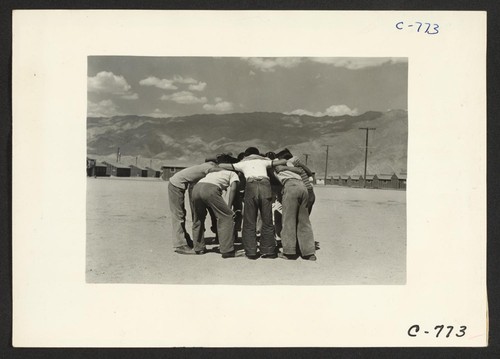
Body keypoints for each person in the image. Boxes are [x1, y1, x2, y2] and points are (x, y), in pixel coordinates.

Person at [218, 147, 287, 259]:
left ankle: (251, 252)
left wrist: (243, 161)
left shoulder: (243, 163)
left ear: (247, 155)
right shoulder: (264, 161)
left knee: (250, 220)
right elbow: (283, 161)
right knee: (267, 219)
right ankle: (269, 251)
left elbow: (221, 165)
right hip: (265, 185)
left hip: (251, 186)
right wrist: (263, 158)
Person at [189, 169, 242, 258]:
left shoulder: (214, 173)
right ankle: (227, 250)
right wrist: (229, 207)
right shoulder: (233, 174)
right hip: (210, 190)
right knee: (227, 217)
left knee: (198, 218)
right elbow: (233, 189)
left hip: (196, 188)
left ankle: (198, 248)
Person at [273, 153, 317, 261]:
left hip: (291, 186)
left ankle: (289, 252)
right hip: (304, 188)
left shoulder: (276, 165)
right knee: (304, 221)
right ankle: (309, 253)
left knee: (288, 220)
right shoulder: (292, 165)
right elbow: (304, 171)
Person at [168, 161, 217, 254]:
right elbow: (215, 169)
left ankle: (185, 239)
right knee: (178, 215)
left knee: (181, 213)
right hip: (175, 186)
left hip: (177, 185)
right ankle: (180, 245)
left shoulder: (203, 166)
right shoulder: (208, 167)